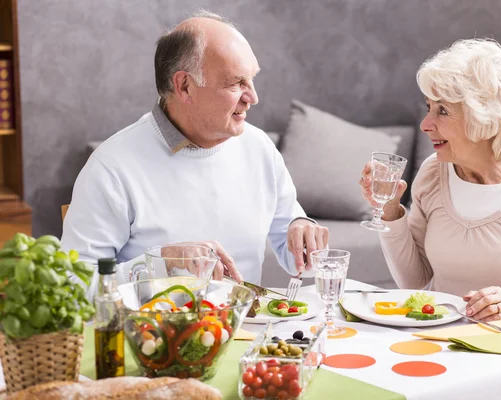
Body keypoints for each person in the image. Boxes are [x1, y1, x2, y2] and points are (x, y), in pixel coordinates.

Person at [62, 10, 328, 300]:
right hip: (152, 339)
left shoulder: (259, 147)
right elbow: (73, 288)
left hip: (248, 337)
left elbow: (297, 255)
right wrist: (159, 264)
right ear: (185, 86)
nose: (252, 97)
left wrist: (302, 230)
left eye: (251, 79)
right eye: (235, 82)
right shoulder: (112, 167)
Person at [359, 39, 501, 329]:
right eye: (428, 107)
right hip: (439, 344)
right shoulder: (433, 173)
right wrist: (391, 211)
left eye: (442, 111)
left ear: (485, 118)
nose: (425, 124)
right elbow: (414, 281)